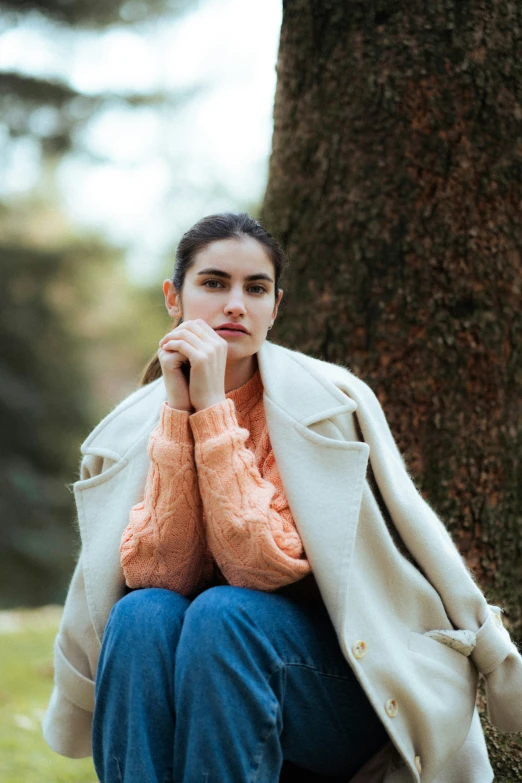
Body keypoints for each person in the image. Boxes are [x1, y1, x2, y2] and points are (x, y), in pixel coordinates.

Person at [42, 212, 522, 783]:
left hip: (340, 686)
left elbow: (260, 567)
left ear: (277, 307)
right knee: (143, 615)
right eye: (214, 283)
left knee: (227, 614)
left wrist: (213, 410)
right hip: (202, 681)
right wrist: (178, 413)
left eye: (256, 288)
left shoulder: (326, 403)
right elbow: (160, 571)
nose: (235, 304)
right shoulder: (134, 426)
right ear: (175, 297)